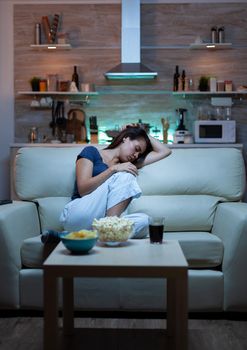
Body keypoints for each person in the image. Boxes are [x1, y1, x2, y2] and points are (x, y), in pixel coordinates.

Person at [60, 125, 171, 238]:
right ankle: (110, 228)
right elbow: (83, 189)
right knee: (126, 174)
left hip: (97, 222)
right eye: (137, 149)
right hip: (80, 213)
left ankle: (103, 232)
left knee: (145, 221)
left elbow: (165, 151)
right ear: (126, 138)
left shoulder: (126, 165)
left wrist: (143, 133)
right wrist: (113, 169)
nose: (136, 155)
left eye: (139, 154)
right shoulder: (91, 152)